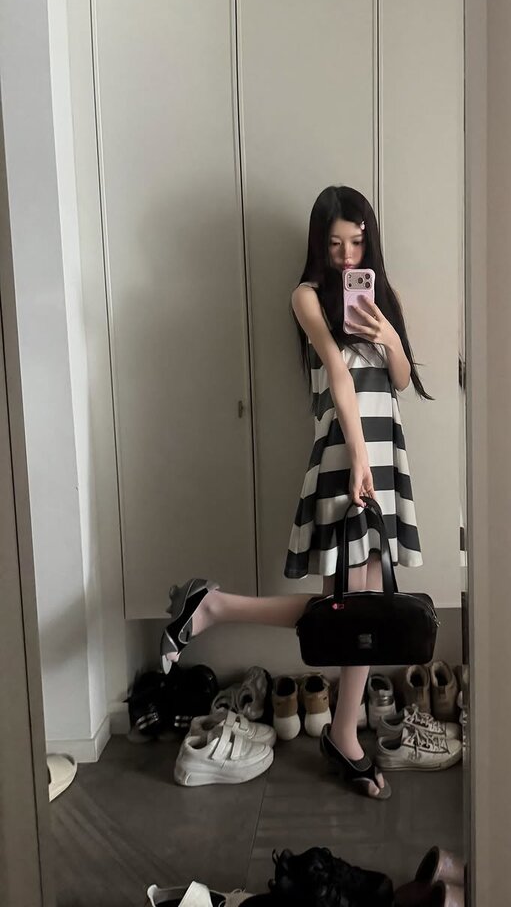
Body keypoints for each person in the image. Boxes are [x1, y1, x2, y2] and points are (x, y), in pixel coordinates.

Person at [159, 185, 430, 800]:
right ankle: (340, 729)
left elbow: (400, 380)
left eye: (356, 242)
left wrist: (389, 334)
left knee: (359, 606)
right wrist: (357, 456)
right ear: (319, 244)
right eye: (335, 244)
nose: (347, 255)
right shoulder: (306, 296)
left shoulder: (381, 294)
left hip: (384, 453)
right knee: (353, 606)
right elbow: (337, 372)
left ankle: (218, 612)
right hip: (347, 453)